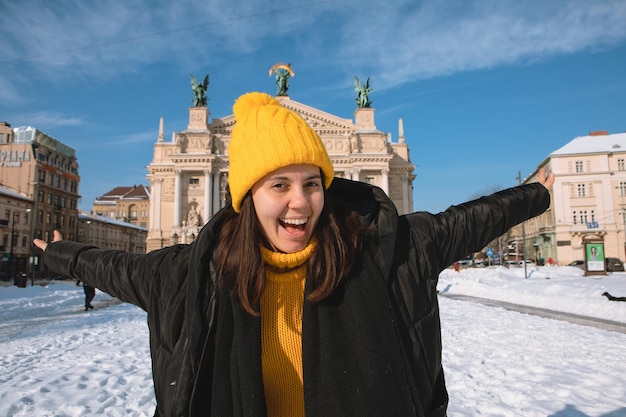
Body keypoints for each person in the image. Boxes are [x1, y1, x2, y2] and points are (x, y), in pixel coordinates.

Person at [34, 92, 554, 417]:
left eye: (312, 183)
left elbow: (469, 221)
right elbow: (112, 267)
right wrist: (61, 255)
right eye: (278, 183)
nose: (300, 201)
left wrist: (539, 190)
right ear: (245, 196)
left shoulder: (382, 253)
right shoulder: (189, 276)